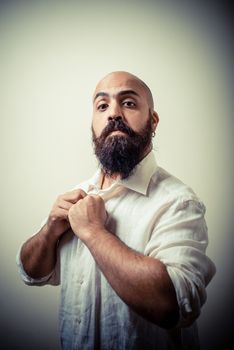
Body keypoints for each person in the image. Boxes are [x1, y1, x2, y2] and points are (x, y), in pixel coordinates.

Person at [17, 71, 216, 350]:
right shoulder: (77, 197)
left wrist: (93, 232)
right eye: (102, 106)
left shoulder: (178, 202)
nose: (114, 114)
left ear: (153, 120)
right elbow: (31, 273)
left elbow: (174, 305)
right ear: (93, 124)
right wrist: (49, 231)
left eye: (129, 103)